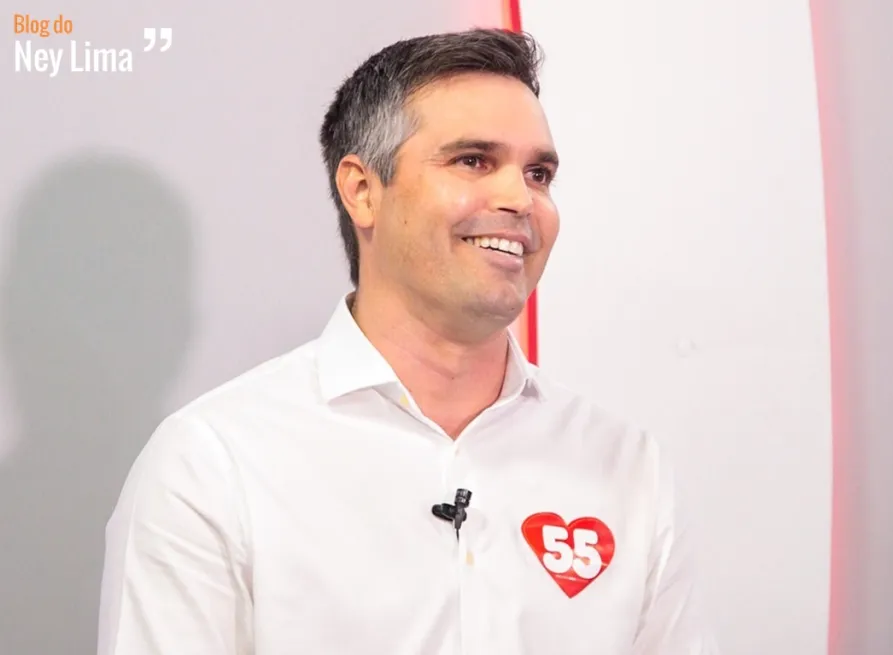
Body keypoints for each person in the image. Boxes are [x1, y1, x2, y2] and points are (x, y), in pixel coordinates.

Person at [96, 28, 719, 654]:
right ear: (363, 191)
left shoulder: (627, 468)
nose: (519, 199)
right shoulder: (216, 465)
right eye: (473, 160)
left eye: (539, 173)